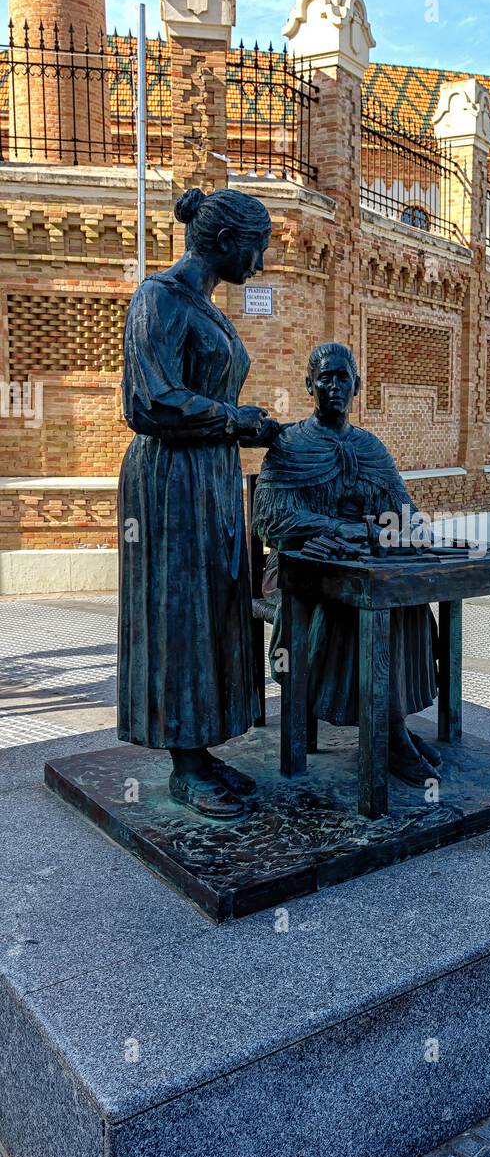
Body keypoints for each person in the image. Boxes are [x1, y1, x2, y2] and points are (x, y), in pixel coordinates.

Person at [117, 186, 281, 819]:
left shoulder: (208, 310)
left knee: (216, 602)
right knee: (179, 609)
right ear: (225, 241)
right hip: (169, 482)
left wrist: (249, 427)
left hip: (210, 475)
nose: (260, 264)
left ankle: (201, 746)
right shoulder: (159, 298)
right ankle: (184, 765)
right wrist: (236, 420)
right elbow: (149, 402)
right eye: (257, 248)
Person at [253, 342, 443, 786]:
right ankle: (391, 737)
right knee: (358, 606)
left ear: (356, 386)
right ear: (309, 385)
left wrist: (383, 531)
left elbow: (407, 514)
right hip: (295, 571)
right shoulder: (289, 446)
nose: (334, 386)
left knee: (404, 598)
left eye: (343, 378)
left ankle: (391, 723)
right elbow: (269, 518)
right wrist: (338, 528)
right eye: (325, 378)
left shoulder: (370, 448)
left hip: (360, 565)